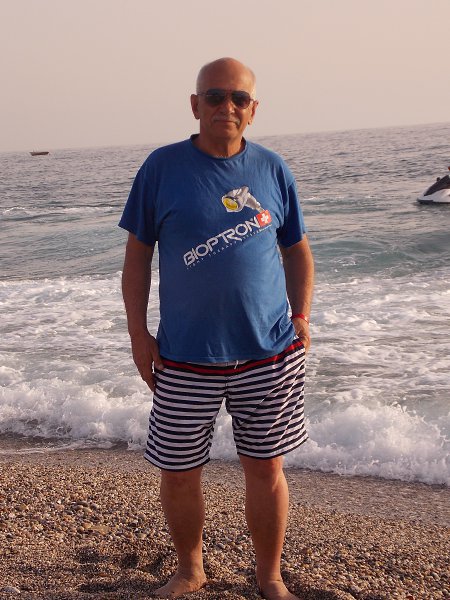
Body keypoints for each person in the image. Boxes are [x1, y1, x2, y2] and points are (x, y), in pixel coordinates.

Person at [119, 57, 314, 600]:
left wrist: (301, 317)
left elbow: (298, 251)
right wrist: (138, 335)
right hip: (184, 355)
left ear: (253, 110)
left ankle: (269, 576)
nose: (226, 106)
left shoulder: (273, 169)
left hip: (268, 352)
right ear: (194, 105)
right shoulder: (161, 168)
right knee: (179, 471)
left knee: (266, 469)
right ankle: (190, 570)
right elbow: (137, 259)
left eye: (238, 98)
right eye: (214, 96)